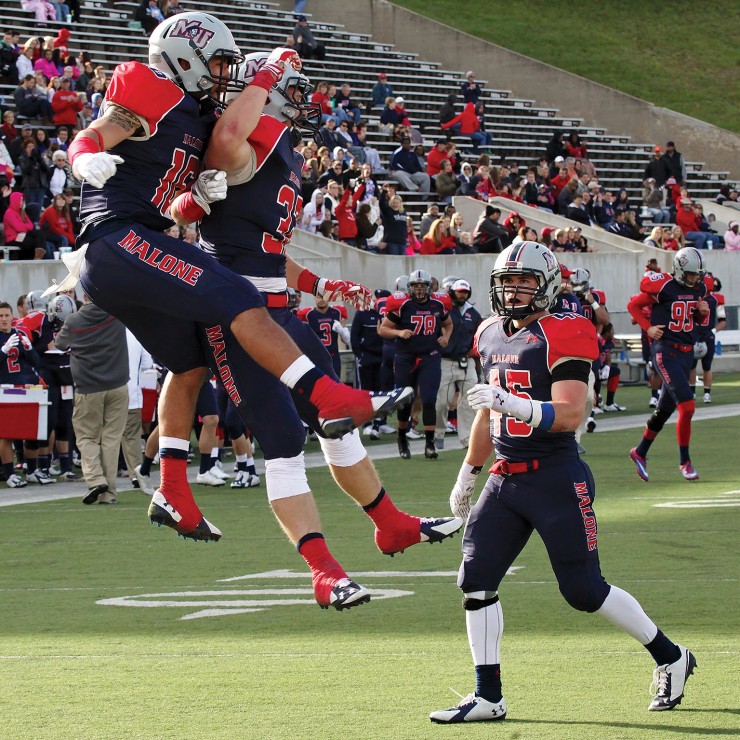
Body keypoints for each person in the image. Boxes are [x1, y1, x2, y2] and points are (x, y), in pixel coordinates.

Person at [60, 15, 405, 543]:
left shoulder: (197, 118)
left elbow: (174, 204)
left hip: (141, 240)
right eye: (219, 63)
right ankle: (325, 394)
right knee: (240, 297)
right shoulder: (151, 86)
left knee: (189, 363)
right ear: (185, 54)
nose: (223, 74)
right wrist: (83, 159)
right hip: (114, 237)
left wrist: (194, 201)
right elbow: (96, 134)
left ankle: (172, 490)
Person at [177, 51, 461, 610]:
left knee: (338, 423)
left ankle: (391, 524)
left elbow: (265, 248)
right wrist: (263, 75)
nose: (305, 97)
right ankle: (324, 572)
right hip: (239, 320)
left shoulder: (278, 145)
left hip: (278, 312)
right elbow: (216, 163)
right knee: (282, 444)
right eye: (293, 87)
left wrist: (320, 284)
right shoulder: (242, 134)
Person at [431, 241, 696, 724]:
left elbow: (573, 412)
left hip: (555, 476)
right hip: (505, 480)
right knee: (475, 581)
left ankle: (671, 655)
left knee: (583, 591)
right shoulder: (488, 332)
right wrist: (468, 473)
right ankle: (488, 696)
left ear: (547, 285)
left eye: (525, 281)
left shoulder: (566, 331)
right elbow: (485, 411)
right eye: (507, 281)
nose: (513, 290)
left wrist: (510, 404)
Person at [628, 247, 709, 481]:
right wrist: (648, 328)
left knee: (664, 410)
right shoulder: (664, 287)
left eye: (698, 274)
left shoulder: (699, 289)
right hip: (666, 351)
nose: (696, 278)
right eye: (692, 274)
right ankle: (685, 461)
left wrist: (702, 314)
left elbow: (693, 320)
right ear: (681, 269)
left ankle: (640, 452)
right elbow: (634, 305)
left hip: (685, 354)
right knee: (688, 407)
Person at [378, 269, 453, 460]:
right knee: (405, 401)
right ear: (409, 288)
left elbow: (449, 324)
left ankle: (429, 444)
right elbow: (383, 329)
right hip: (406, 357)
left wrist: (445, 337)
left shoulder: (437, 305)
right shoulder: (403, 306)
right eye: (415, 286)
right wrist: (399, 333)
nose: (419, 290)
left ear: (429, 288)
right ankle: (402, 438)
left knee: (429, 399)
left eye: (422, 286)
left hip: (430, 356)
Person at [434, 279, 481, 450]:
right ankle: (438, 433)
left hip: (466, 361)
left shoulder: (473, 314)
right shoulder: (443, 311)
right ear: (452, 292)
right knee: (442, 401)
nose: (462, 295)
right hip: (445, 361)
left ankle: (467, 439)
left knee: (469, 401)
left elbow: (478, 336)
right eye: (459, 291)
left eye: (465, 292)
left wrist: (472, 353)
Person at [690, 273, 725, 404]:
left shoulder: (695, 298)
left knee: (703, 366)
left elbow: (723, 321)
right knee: (696, 366)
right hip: (700, 334)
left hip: (700, 334)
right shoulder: (715, 299)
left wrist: (712, 330)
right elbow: (723, 321)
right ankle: (700, 393)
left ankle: (701, 393)